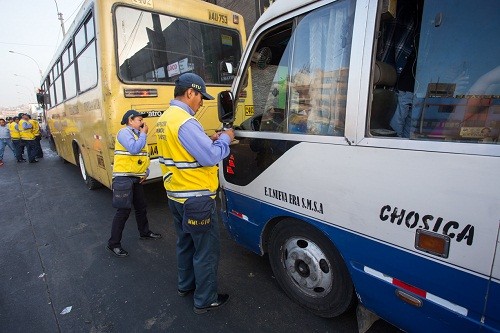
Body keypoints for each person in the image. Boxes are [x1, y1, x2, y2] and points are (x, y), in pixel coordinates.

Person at [155, 73, 235, 314]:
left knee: (185, 244)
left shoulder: (166, 118)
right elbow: (210, 157)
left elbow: (182, 148)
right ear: (190, 93)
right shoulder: (185, 121)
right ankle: (205, 299)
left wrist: (206, 139)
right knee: (206, 251)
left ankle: (185, 286)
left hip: (176, 196)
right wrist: (225, 140)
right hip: (197, 198)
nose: (201, 102)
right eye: (200, 96)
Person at [107, 109, 162, 258]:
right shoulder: (125, 133)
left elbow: (143, 157)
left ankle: (144, 232)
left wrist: (146, 173)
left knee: (141, 207)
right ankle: (114, 244)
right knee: (123, 211)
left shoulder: (138, 135)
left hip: (136, 177)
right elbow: (133, 149)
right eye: (139, 120)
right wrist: (144, 134)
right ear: (130, 121)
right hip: (123, 177)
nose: (142, 122)